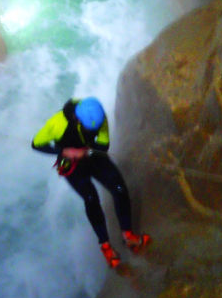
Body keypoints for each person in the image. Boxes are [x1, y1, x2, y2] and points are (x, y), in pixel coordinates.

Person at [31, 97, 150, 268]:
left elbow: (103, 146)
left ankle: (128, 236)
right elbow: (36, 143)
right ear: (76, 119)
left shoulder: (100, 118)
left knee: (119, 188)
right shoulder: (58, 123)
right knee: (91, 198)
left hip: (91, 156)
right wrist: (65, 150)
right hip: (71, 164)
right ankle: (105, 245)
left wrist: (85, 153)